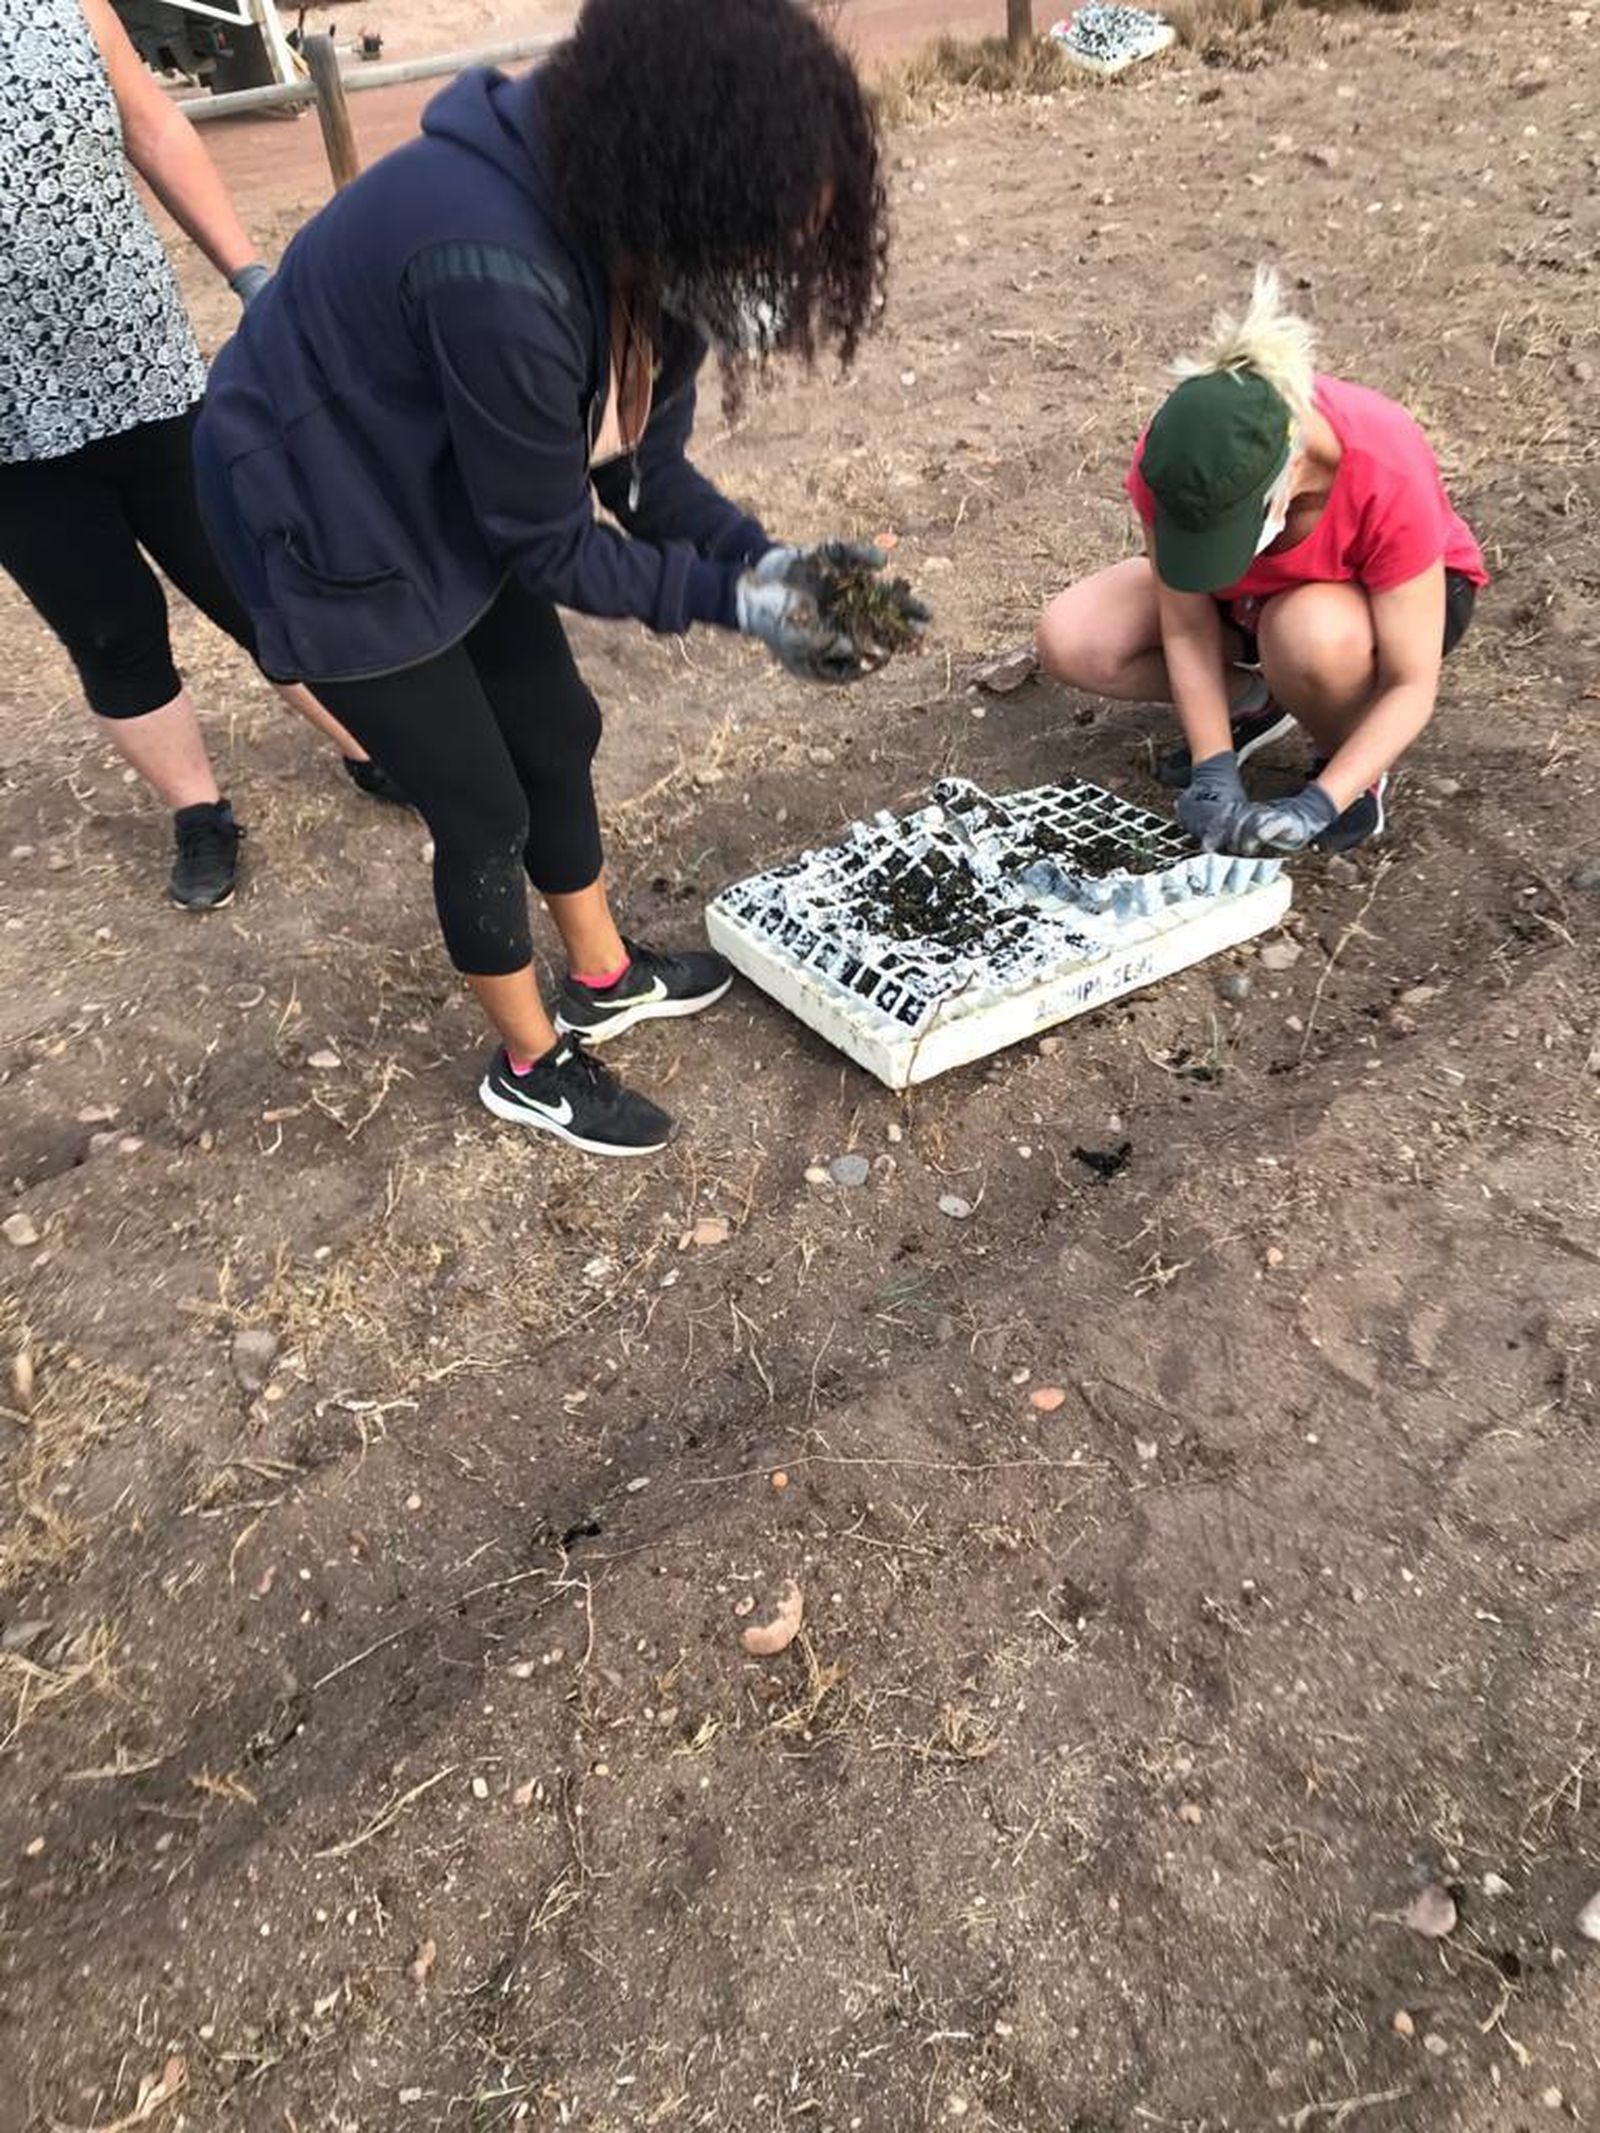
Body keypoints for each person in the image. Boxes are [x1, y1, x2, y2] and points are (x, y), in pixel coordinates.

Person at [196, 0, 893, 1157]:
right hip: (325, 512)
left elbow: (645, 476)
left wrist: (769, 560)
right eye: (764, 243)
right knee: (481, 808)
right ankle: (528, 1062)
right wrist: (738, 606)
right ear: (691, 179)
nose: (775, 273)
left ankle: (604, 974)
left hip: (443, 480)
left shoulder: (652, 231)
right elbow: (545, 543)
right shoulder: (496, 260)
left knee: (557, 727)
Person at [0, 0, 405, 914]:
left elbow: (152, 124)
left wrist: (251, 275)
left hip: (143, 368)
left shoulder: (63, 6)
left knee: (253, 575)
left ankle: (371, 743)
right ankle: (199, 812)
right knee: (108, 628)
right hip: (10, 431)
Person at [1036, 269, 1487, 857]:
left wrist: (1316, 804)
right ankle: (1256, 702)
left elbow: (1412, 683)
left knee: (1304, 634)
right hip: (1256, 601)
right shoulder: (1179, 455)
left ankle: (1349, 770)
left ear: (1292, 469)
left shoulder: (1385, 462)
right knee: (1072, 638)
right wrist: (1213, 766)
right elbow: (1186, 620)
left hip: (1386, 607)